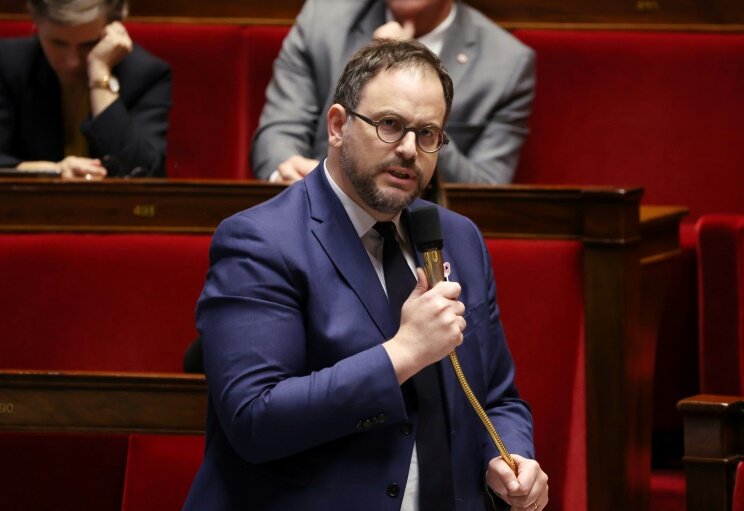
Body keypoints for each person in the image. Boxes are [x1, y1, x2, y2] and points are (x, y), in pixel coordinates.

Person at [185, 39, 548, 511]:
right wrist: (402, 353)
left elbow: (498, 397)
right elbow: (255, 421)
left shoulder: (458, 239)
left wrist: (512, 456)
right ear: (337, 126)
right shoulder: (261, 241)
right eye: (390, 125)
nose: (409, 150)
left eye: (428, 134)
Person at [251, 0, 535, 185]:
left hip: (416, 228)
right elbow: (277, 134)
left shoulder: (506, 64)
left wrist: (422, 109)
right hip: (314, 214)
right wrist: (287, 172)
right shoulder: (322, 20)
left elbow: (487, 189)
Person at [0, 0, 171, 178]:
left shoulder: (146, 74)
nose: (72, 62)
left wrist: (99, 75)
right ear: (35, 21)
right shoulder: (6, 63)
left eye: (89, 44)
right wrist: (54, 171)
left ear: (115, 28)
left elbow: (143, 174)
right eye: (58, 43)